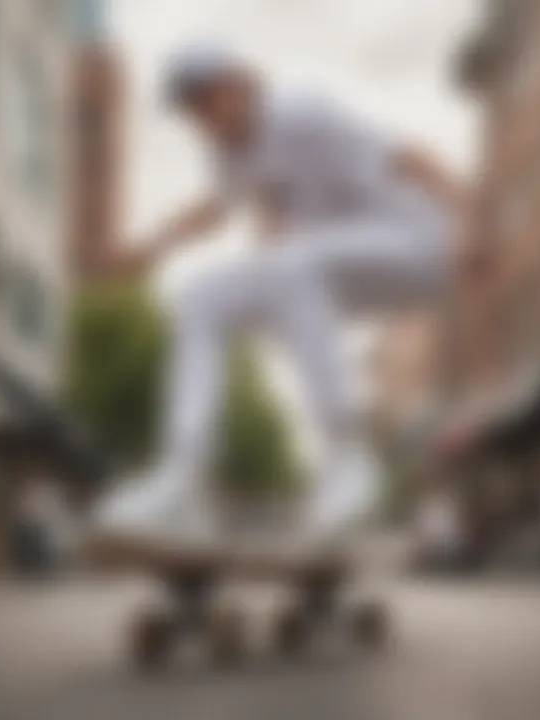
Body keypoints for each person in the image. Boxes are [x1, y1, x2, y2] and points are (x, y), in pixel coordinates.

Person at [93, 43, 464, 548]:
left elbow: (408, 155)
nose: (201, 119)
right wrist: (149, 250)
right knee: (199, 298)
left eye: (207, 100)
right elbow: (212, 210)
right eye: (190, 110)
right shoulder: (231, 154)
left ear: (241, 82)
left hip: (419, 246)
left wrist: (475, 223)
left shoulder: (303, 113)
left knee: (292, 260)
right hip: (332, 265)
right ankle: (184, 477)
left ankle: (347, 454)